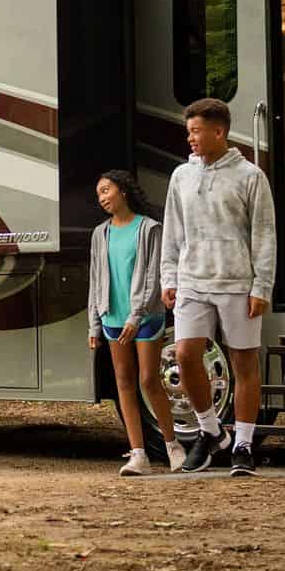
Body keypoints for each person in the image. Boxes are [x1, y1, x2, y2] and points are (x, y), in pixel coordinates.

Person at [161, 97, 278, 476]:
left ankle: (243, 444)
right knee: (184, 354)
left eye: (196, 131)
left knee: (244, 362)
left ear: (219, 131)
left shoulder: (250, 177)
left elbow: (264, 235)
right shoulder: (182, 176)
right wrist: (169, 277)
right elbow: (173, 231)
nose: (190, 139)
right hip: (193, 280)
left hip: (238, 283)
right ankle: (210, 432)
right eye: (188, 131)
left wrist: (262, 286)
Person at [86, 170, 181, 475]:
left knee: (149, 381)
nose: (102, 198)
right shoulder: (100, 233)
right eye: (99, 194)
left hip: (145, 317)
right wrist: (94, 325)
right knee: (123, 382)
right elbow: (95, 279)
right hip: (112, 318)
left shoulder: (149, 228)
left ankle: (173, 446)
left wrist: (136, 315)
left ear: (123, 191)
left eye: (106, 190)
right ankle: (138, 454)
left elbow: (153, 276)